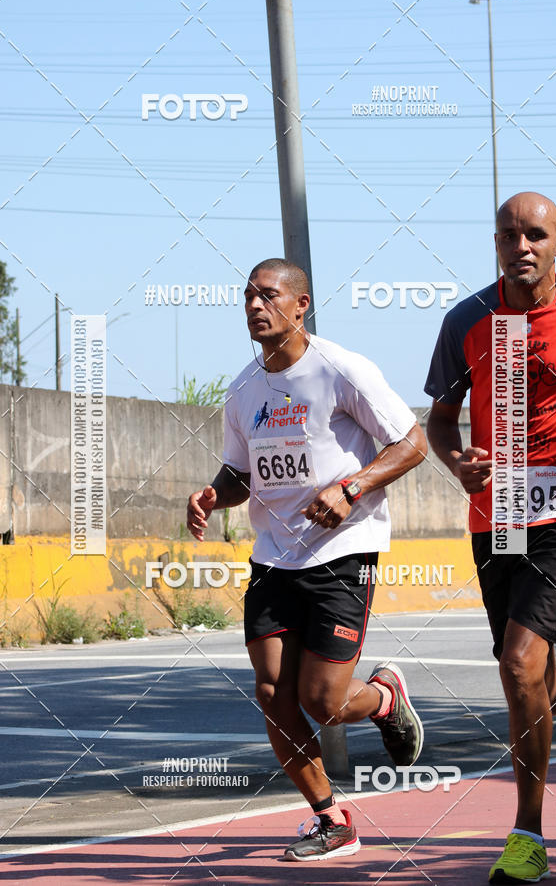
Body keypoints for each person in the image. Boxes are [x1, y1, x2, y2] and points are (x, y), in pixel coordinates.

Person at [187, 257, 427, 861]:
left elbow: (412, 442)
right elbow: (242, 472)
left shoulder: (342, 369)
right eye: (247, 297)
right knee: (272, 693)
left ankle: (386, 697)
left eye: (267, 295)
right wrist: (216, 495)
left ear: (302, 305)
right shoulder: (242, 389)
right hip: (272, 557)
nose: (253, 306)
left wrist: (352, 488)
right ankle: (331, 817)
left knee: (324, 702)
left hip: (341, 552)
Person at [425, 192, 556, 884]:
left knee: (523, 662)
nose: (521, 245)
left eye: (535, 234)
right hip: (498, 514)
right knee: (516, 668)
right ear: (494, 244)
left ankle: (527, 836)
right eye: (508, 235)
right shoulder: (466, 320)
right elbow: (440, 420)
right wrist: (456, 459)